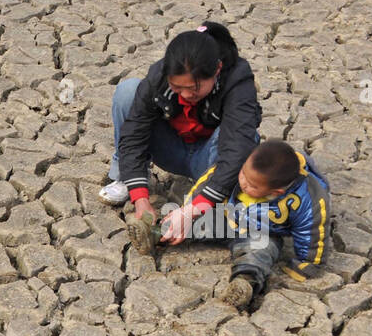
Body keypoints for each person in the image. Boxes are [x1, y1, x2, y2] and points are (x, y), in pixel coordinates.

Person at [101, 22, 262, 252]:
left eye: (195, 89)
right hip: (172, 149)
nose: (186, 95)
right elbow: (135, 132)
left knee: (248, 140)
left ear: (216, 70)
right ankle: (126, 179)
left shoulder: (237, 78)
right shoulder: (159, 74)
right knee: (128, 92)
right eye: (177, 88)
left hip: (210, 159)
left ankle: (207, 201)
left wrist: (193, 209)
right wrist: (141, 199)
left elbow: (237, 150)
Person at [152, 139, 331, 309]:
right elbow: (207, 185)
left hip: (263, 233)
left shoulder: (307, 195)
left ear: (277, 192)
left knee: (260, 252)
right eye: (243, 174)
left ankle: (244, 283)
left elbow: (312, 228)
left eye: (252, 186)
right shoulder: (237, 163)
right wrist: (187, 212)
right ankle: (156, 231)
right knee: (194, 222)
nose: (244, 183)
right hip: (227, 216)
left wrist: (308, 264)